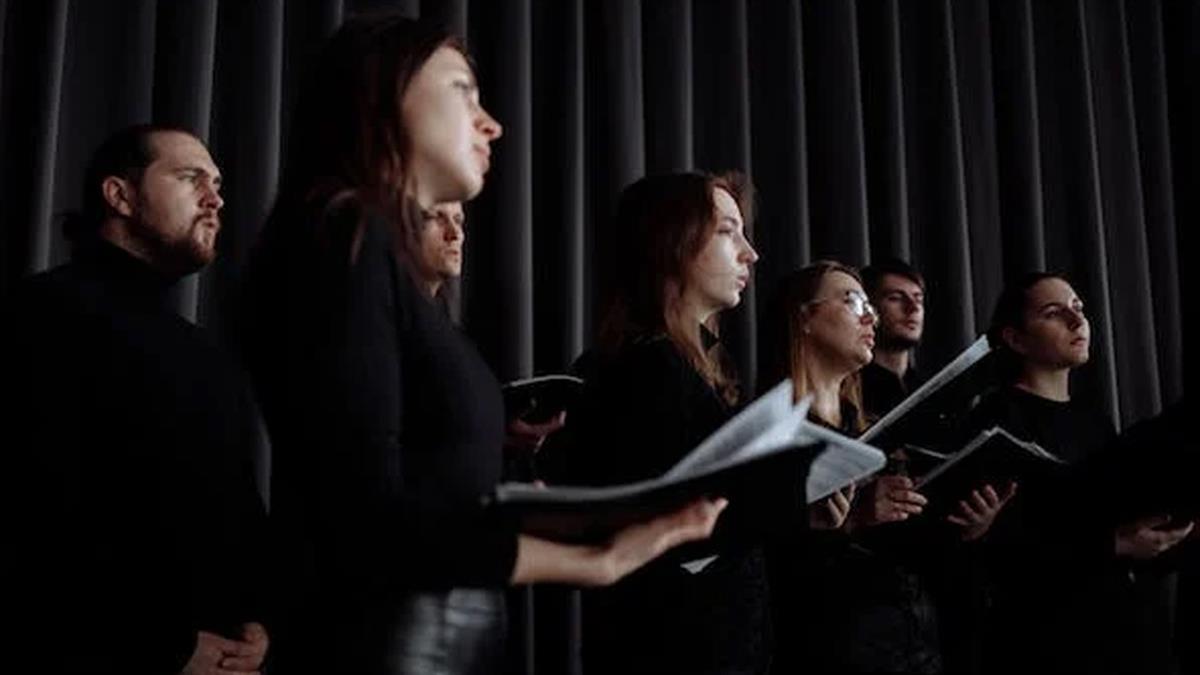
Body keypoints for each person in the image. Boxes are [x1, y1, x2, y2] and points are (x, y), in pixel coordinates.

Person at [236, 15, 724, 674]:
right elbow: (367, 520)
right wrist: (595, 559)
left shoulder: (366, 251)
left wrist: (483, 436)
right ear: (383, 94)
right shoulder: (342, 235)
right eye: (464, 91)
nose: (491, 123)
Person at [4, 124, 270, 674]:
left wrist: (260, 624)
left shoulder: (209, 358)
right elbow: (30, 523)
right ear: (119, 195)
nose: (216, 198)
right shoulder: (39, 317)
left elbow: (242, 517)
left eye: (218, 183)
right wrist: (164, 646)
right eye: (191, 177)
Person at [555, 170, 819, 674]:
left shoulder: (685, 367)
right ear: (669, 242)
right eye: (726, 230)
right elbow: (656, 536)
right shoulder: (642, 368)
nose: (750, 253)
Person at [759, 261, 1011, 674]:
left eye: (869, 306)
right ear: (803, 316)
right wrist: (852, 520)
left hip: (914, 642)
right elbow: (761, 570)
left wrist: (966, 527)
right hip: (826, 651)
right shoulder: (769, 432)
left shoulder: (870, 429)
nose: (868, 315)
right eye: (851, 299)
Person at [965, 272, 1195, 675]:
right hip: (1047, 642)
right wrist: (1115, 545)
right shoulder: (994, 420)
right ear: (1016, 339)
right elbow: (1004, 549)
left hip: (1123, 631)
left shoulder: (1095, 421)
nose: (1077, 321)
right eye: (1054, 313)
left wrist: (1166, 538)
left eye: (1078, 308)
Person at [859, 257, 926, 421]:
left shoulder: (928, 390)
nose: (913, 308)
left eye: (918, 299)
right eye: (895, 298)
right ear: (868, 309)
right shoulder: (850, 390)